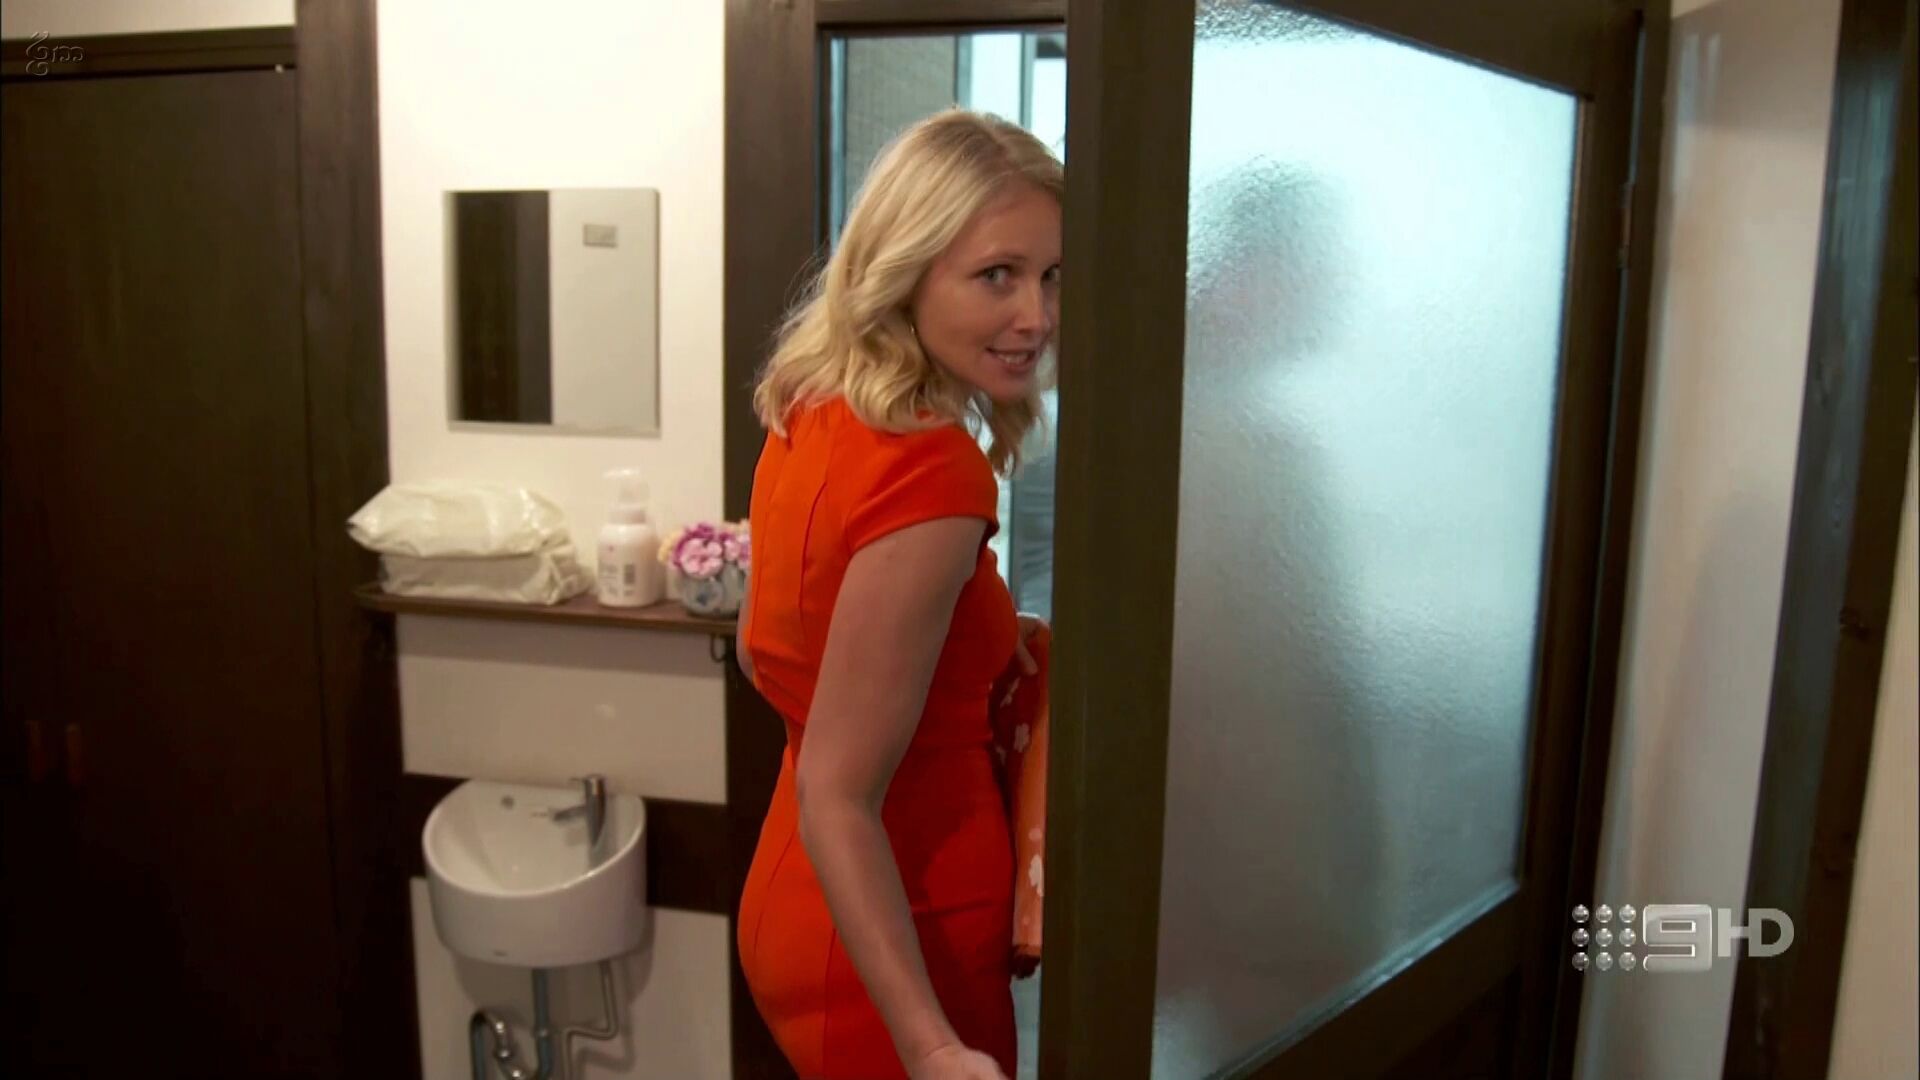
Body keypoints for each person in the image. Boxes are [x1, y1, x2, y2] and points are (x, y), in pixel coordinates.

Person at [734, 108, 1059, 1080]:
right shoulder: (931, 472)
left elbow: (767, 651)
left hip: (802, 895)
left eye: (1051, 276)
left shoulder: (814, 404)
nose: (1036, 316)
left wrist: (971, 642)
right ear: (906, 268)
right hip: (903, 934)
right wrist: (933, 1048)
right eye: (997, 275)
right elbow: (842, 791)